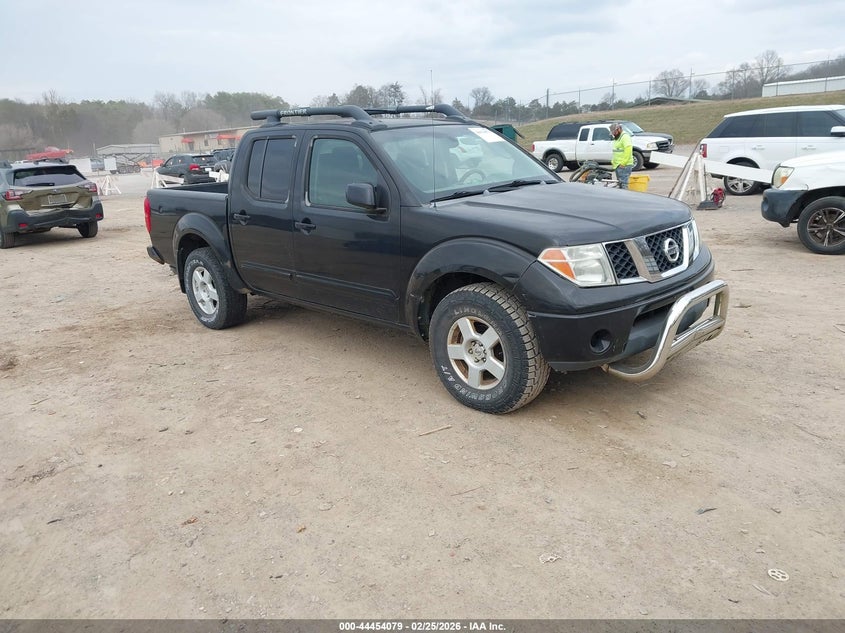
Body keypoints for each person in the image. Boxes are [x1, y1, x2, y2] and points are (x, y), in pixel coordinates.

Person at [610, 123, 634, 189]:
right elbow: (617, 150)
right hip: (618, 165)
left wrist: (623, 163)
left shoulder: (625, 137)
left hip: (624, 166)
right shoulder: (617, 138)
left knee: (623, 184)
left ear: (619, 129)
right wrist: (613, 161)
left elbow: (628, 150)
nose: (613, 134)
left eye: (614, 132)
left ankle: (625, 198)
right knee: (620, 184)